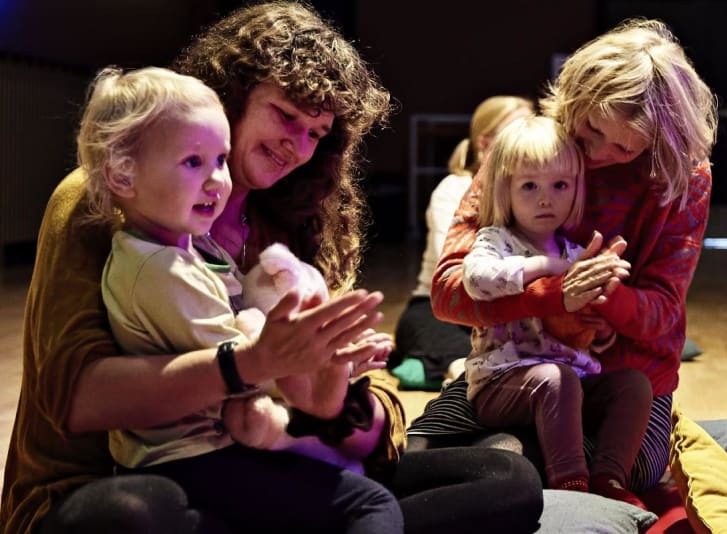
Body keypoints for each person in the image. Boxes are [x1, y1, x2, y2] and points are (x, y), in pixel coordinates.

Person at [0, 2, 543, 533]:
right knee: (128, 514)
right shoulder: (107, 200)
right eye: (284, 115)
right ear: (228, 96)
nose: (297, 147)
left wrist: (339, 396)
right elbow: (76, 401)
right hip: (128, 479)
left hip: (271, 458)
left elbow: (359, 399)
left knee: (505, 478)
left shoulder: (293, 220)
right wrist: (253, 364)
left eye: (316, 133)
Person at [409, 17, 718, 494]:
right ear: (575, 95)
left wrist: (604, 295)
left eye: (627, 148)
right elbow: (448, 294)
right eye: (591, 129)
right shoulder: (528, 147)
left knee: (608, 468)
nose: (599, 153)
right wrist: (553, 294)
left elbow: (662, 315)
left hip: (623, 379)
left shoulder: (684, 176)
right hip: (520, 364)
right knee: (430, 454)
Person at [461, 115, 652, 507]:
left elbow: (589, 330)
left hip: (570, 381)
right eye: (529, 185)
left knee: (633, 383)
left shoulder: (573, 252)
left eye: (560, 185)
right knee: (555, 378)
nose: (545, 198)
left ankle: (610, 478)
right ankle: (571, 483)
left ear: (577, 190)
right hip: (501, 382)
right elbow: (476, 279)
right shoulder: (496, 239)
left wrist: (601, 327)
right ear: (505, 190)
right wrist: (543, 269)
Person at [392, 95, 535, 389]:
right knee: (460, 351)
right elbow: (457, 267)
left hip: (503, 309)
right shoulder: (454, 188)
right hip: (443, 306)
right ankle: (463, 390)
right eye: (511, 136)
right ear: (484, 145)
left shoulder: (531, 191)